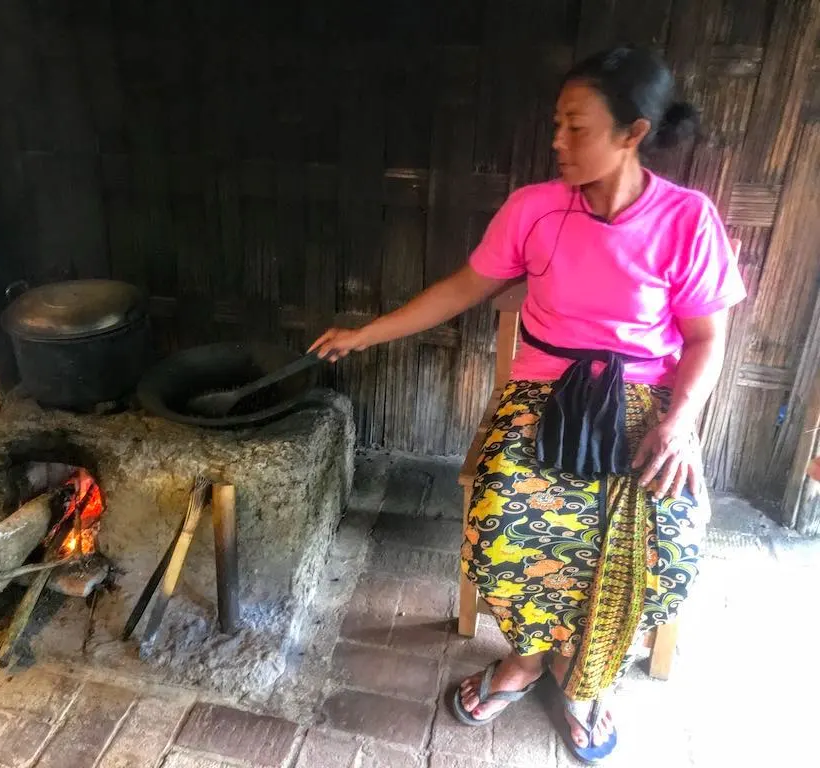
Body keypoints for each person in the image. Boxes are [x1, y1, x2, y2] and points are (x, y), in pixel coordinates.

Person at [310, 46, 746, 764]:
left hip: (646, 406)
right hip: (543, 397)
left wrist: (679, 422)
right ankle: (528, 660)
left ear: (633, 133)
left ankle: (585, 676)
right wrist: (366, 333)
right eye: (557, 124)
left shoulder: (687, 220)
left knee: (662, 538)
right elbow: (460, 289)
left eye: (576, 126)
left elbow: (706, 340)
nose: (557, 141)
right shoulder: (534, 211)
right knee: (505, 520)